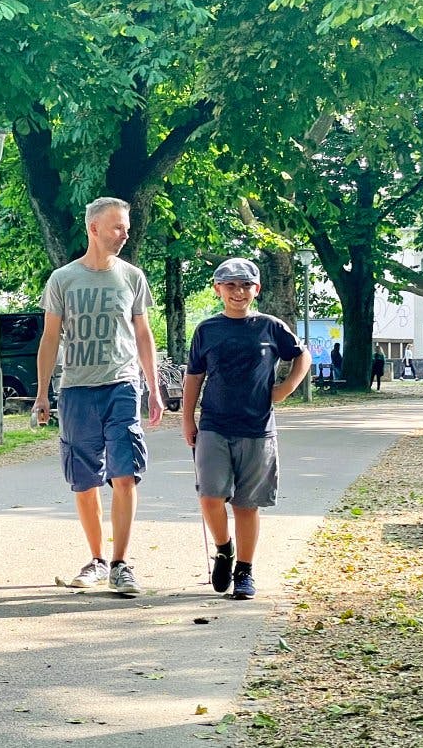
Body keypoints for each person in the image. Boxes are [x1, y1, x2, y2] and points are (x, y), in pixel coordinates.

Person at [32, 197, 164, 597]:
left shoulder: (132, 277)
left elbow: (143, 334)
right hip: (76, 390)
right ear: (94, 228)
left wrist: (154, 387)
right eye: (117, 227)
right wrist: (41, 393)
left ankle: (121, 564)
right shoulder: (63, 279)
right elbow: (50, 338)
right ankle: (96, 560)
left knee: (124, 473)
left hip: (122, 385)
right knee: (84, 480)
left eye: (126, 228)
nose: (125, 235)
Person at [181, 258, 310, 600]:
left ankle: (245, 571)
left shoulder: (269, 327)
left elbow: (302, 356)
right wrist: (187, 419)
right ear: (217, 289)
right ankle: (224, 549)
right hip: (214, 424)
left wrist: (285, 388)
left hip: (257, 427)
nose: (238, 292)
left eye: (245, 285)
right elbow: (194, 375)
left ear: (257, 289)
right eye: (230, 285)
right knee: (210, 497)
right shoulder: (207, 329)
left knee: (246, 504)